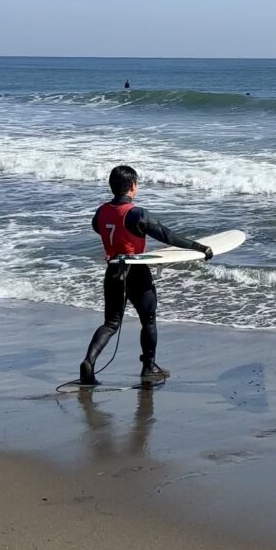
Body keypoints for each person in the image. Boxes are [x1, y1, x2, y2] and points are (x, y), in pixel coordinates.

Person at [79, 165, 213, 386]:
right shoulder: (136, 214)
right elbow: (167, 235)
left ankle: (89, 362)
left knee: (111, 324)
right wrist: (198, 247)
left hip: (113, 270)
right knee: (148, 319)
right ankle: (148, 367)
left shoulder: (101, 212)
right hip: (136, 270)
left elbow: (99, 228)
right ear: (132, 186)